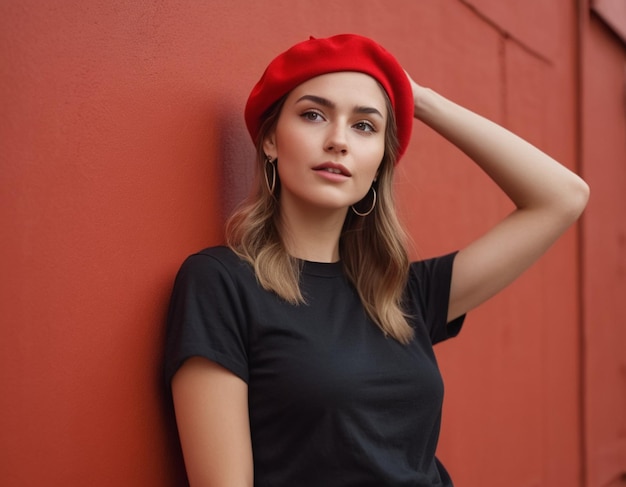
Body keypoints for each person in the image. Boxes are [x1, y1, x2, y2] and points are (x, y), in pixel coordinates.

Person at [164, 34, 589, 487]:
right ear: (270, 139)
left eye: (364, 125)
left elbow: (563, 197)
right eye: (313, 115)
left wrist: (418, 100)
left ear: (381, 158)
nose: (337, 141)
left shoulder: (402, 294)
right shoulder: (221, 284)